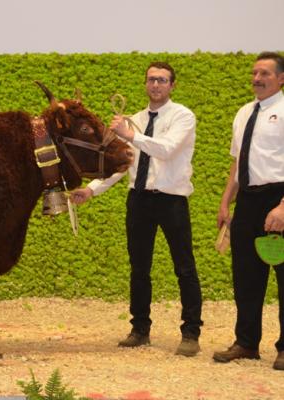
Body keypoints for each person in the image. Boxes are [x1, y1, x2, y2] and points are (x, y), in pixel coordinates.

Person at [71, 61, 203, 356]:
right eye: (151, 80)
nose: (156, 85)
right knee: (139, 268)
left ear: (172, 85)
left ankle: (191, 332)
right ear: (145, 84)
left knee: (184, 267)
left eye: (162, 80)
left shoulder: (183, 116)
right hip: (139, 200)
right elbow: (122, 165)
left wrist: (130, 135)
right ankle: (140, 329)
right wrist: (91, 190)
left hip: (172, 200)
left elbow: (166, 150)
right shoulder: (132, 120)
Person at [212, 51, 284, 371]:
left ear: (281, 78)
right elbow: (236, 164)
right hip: (248, 202)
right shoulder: (243, 113)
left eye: (265, 73)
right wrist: (227, 202)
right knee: (246, 276)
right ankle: (246, 342)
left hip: (279, 198)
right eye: (255, 73)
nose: (257, 78)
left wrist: (283, 207)